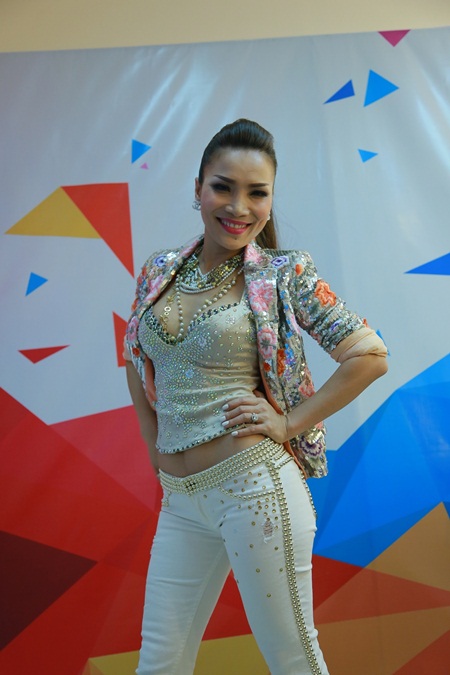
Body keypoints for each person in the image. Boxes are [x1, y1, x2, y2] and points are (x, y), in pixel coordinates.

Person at [124, 119, 388, 675]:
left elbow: (369, 356)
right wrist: (154, 449)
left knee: (292, 660)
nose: (238, 207)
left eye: (257, 193)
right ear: (198, 188)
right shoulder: (159, 270)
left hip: (254, 491)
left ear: (271, 199)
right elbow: (133, 355)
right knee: (159, 664)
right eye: (223, 187)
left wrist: (289, 424)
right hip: (180, 501)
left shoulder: (283, 275)